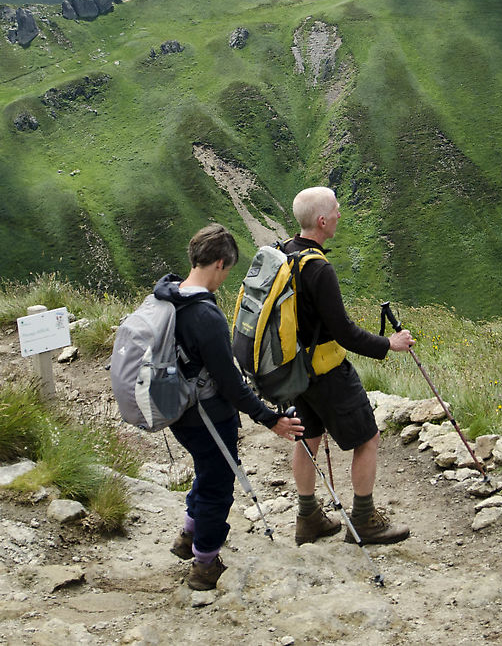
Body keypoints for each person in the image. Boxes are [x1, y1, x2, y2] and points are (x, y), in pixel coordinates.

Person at [154, 222, 304, 591]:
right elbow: (230, 383)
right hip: (205, 414)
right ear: (220, 263)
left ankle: (188, 537)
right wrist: (270, 419)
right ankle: (205, 565)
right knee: (219, 484)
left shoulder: (168, 295)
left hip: (175, 407)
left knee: (206, 471)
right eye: (227, 271)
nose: (224, 279)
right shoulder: (205, 315)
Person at [282, 186, 415, 547]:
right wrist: (390, 343)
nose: (340, 215)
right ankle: (364, 520)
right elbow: (344, 332)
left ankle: (308, 518)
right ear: (322, 220)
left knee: (308, 438)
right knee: (367, 437)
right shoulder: (320, 269)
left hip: (295, 371)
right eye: (336, 210)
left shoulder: (283, 253)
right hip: (327, 370)